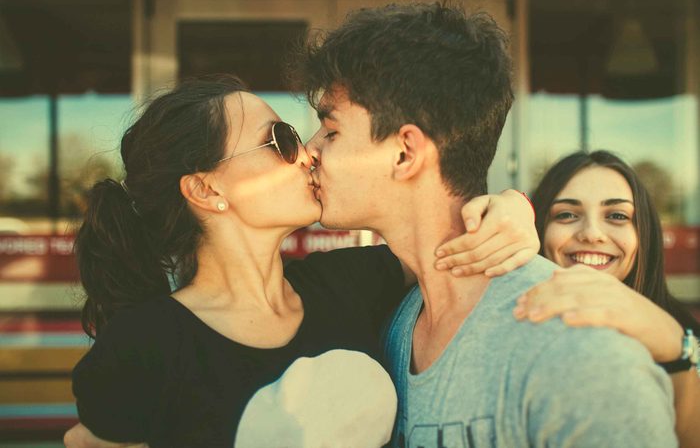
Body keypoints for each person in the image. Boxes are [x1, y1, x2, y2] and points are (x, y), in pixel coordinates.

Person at [63, 75, 538, 448]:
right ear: (207, 190)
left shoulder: (352, 283)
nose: (308, 152)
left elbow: (447, 242)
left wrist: (512, 208)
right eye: (280, 140)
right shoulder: (142, 347)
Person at [295, 1, 677, 447]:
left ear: (404, 153)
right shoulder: (397, 326)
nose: (310, 150)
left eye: (331, 131)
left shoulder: (579, 354)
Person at [506, 150, 700, 447]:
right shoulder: (506, 332)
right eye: (567, 214)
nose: (592, 234)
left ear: (643, 234)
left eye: (617, 216)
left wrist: (678, 352)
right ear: (539, 230)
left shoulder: (686, 338)